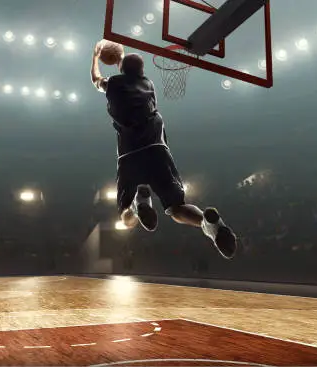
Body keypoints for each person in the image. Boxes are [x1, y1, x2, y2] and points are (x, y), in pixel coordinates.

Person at [90, 40, 237, 259]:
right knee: (177, 208)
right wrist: (121, 58)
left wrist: (95, 56)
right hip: (157, 151)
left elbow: (96, 80)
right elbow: (130, 68)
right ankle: (209, 225)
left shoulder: (113, 85)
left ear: (121, 69)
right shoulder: (148, 84)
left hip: (130, 155)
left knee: (124, 214)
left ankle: (137, 208)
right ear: (141, 71)